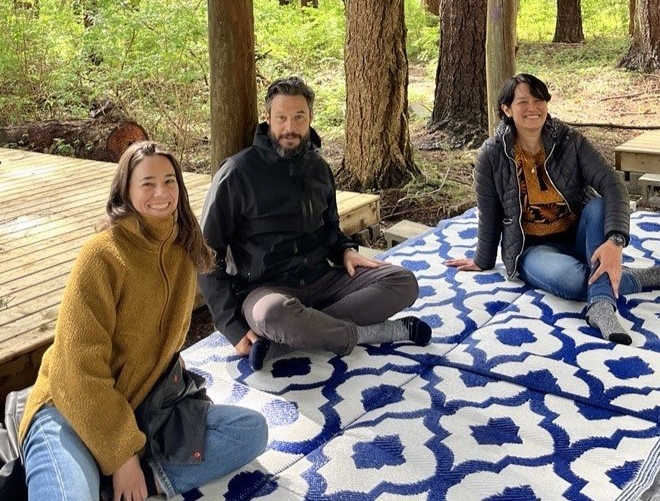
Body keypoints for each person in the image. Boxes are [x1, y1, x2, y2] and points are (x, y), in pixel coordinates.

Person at [19, 141, 268, 501]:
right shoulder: (102, 256)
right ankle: (110, 474)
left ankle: (128, 484)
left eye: (170, 181)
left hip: (142, 411)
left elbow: (163, 348)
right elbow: (75, 371)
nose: (161, 193)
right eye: (147, 183)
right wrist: (122, 457)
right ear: (126, 190)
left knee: (250, 430)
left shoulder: (183, 249)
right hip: (68, 410)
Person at [199, 76, 431, 372]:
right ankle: (375, 332)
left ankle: (288, 339)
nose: (289, 128)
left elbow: (331, 229)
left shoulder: (318, 168)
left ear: (310, 118)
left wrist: (346, 250)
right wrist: (232, 326)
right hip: (266, 289)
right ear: (267, 118)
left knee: (403, 282)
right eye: (281, 118)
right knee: (274, 315)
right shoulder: (237, 173)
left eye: (299, 117)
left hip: (322, 280)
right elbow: (206, 255)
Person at [446, 73, 660, 345]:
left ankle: (600, 307)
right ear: (506, 109)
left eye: (539, 100)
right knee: (573, 281)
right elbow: (489, 212)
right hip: (534, 248)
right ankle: (639, 278)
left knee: (599, 204)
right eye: (523, 101)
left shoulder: (569, 139)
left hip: (580, 234)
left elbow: (612, 182)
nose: (532, 108)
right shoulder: (491, 155)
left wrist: (615, 241)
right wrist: (482, 260)